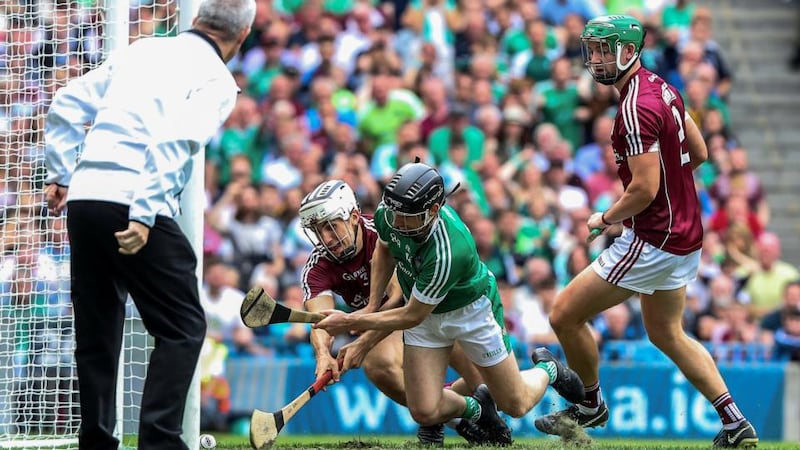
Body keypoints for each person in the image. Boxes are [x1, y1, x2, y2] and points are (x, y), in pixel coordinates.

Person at [533, 15, 758, 449]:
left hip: (655, 238)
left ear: (627, 51)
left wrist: (603, 218)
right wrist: (669, 185)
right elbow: (699, 152)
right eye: (593, 50)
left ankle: (590, 405)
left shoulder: (635, 108)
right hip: (686, 234)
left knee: (563, 314)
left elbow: (644, 190)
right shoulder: (663, 87)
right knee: (667, 333)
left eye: (603, 51)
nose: (595, 60)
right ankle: (735, 422)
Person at [42, 0, 256, 447]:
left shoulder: (141, 50)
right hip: (134, 201)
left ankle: (96, 442)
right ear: (243, 35)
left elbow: (65, 103)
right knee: (182, 326)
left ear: (196, 19)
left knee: (97, 331)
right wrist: (143, 214)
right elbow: (174, 141)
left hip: (85, 199)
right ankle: (160, 442)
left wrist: (60, 173)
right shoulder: (216, 78)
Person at [314, 163, 585, 444]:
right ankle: (476, 409)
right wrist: (371, 305)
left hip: (470, 311)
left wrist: (351, 321)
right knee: (424, 411)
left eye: (407, 218)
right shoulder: (390, 212)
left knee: (515, 403)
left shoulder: (448, 250)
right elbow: (384, 249)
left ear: (432, 211)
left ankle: (548, 370)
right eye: (395, 215)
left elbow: (412, 315)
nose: (398, 224)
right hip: (426, 315)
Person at [265, 179, 487, 445]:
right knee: (377, 365)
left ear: (353, 217)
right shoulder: (316, 268)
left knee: (486, 383)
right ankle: (448, 416)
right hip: (384, 324)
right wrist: (323, 354)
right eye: (318, 230)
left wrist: (363, 340)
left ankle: (466, 404)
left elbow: (398, 298)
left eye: (331, 226)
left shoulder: (385, 232)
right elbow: (320, 321)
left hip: (431, 309)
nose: (326, 238)